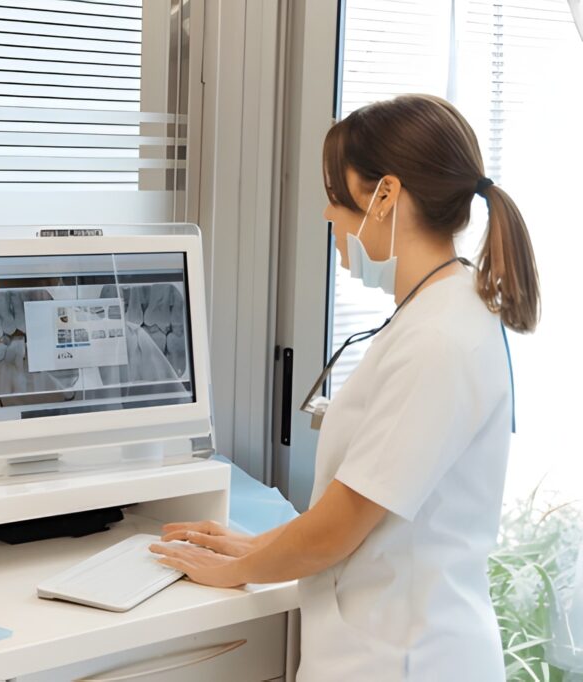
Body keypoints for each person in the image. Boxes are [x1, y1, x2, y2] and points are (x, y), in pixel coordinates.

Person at [151, 94, 540, 680]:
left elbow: (343, 525)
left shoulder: (441, 339)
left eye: (337, 195)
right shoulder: (435, 313)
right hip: (387, 643)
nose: (329, 214)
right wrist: (251, 547)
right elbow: (358, 503)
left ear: (384, 196)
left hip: (408, 658)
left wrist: (234, 569)